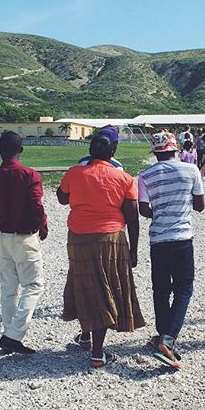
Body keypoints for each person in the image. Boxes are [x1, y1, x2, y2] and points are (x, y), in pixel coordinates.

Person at [57, 133, 145, 367]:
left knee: (84, 283)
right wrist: (134, 250)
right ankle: (97, 353)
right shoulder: (123, 178)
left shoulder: (74, 173)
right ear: (113, 151)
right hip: (110, 238)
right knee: (105, 287)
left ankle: (86, 336)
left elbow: (62, 198)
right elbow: (132, 217)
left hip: (78, 238)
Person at [138, 131, 205, 368]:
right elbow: (200, 205)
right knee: (184, 289)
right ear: (175, 149)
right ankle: (168, 338)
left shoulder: (145, 175)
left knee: (161, 290)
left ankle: (162, 335)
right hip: (182, 237)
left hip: (158, 239)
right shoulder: (191, 170)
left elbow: (144, 210)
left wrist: (161, 212)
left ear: (156, 152)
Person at [0, 131, 47, 354]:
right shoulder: (29, 175)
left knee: (8, 288)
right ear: (21, 150)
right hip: (25, 236)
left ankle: (9, 333)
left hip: (2, 238)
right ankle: (13, 335)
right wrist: (42, 225)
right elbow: (36, 206)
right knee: (33, 285)